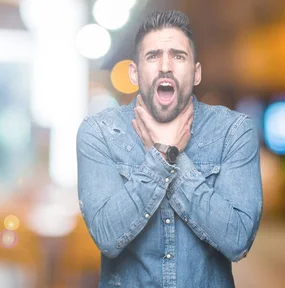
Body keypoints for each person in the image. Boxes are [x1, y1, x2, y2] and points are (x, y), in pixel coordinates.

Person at [76, 10, 263, 287]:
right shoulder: (99, 133)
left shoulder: (233, 131)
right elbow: (107, 236)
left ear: (196, 73)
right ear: (135, 72)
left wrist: (169, 155)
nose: (165, 66)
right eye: (153, 56)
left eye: (178, 55)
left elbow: (237, 240)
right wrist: (163, 158)